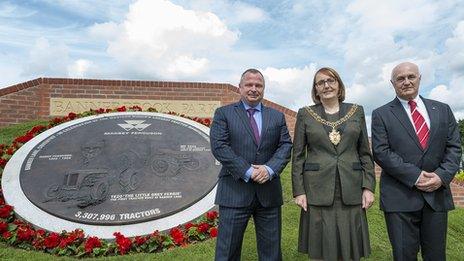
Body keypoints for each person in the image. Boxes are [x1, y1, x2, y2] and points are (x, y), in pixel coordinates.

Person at [371, 62, 462, 261]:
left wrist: (441, 176)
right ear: (392, 83)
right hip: (400, 198)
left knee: (436, 256)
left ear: (419, 78)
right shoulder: (381, 114)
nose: (406, 82)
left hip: (436, 197)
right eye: (400, 79)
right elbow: (381, 152)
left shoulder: (443, 110)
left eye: (411, 76)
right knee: (404, 256)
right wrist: (415, 176)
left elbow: (454, 147)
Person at [292, 67, 375, 261]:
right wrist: (299, 191)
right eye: (320, 82)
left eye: (331, 80)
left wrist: (368, 187)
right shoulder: (305, 114)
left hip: (351, 189)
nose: (326, 85)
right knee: (321, 248)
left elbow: (365, 153)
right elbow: (297, 155)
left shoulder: (357, 111)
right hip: (317, 190)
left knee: (350, 249)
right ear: (316, 89)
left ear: (339, 85)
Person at [210, 68, 292, 261]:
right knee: (227, 253)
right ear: (240, 88)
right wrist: (248, 171)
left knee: (271, 254)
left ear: (263, 89)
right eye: (249, 85)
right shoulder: (224, 114)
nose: (254, 89)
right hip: (234, 192)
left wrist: (269, 169)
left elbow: (286, 145)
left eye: (259, 85)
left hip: (269, 193)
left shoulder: (277, 116)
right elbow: (219, 146)